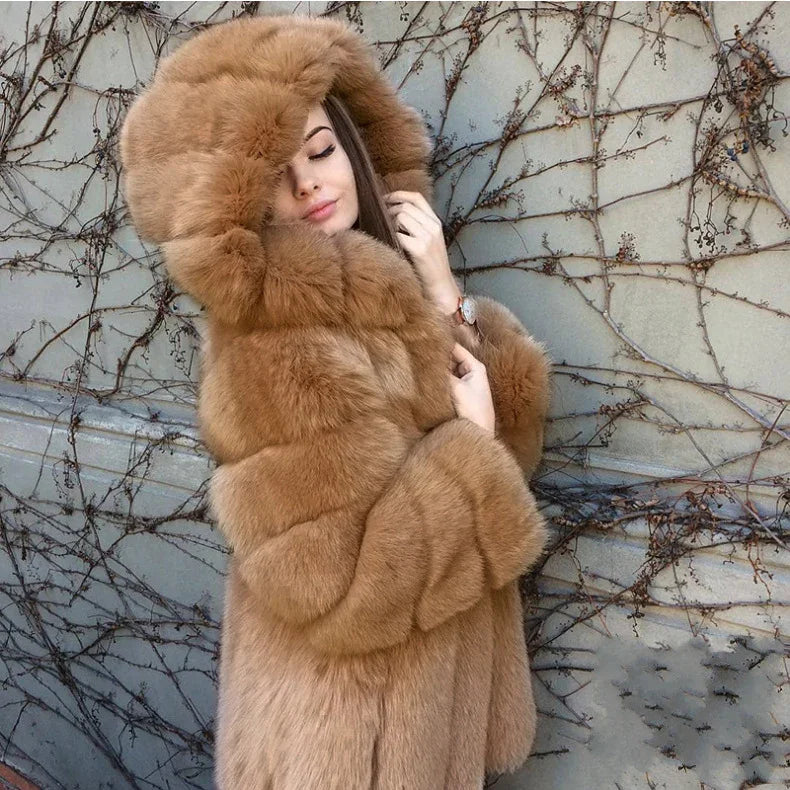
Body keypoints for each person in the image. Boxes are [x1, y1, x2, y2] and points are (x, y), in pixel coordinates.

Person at [119, 13, 552, 790]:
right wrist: (469, 452)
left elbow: (508, 453)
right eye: (276, 172)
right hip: (348, 736)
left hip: (414, 708)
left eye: (321, 151)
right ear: (239, 204)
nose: (309, 184)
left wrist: (443, 292)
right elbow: (340, 590)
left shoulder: (383, 293)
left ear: (354, 147)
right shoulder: (275, 347)